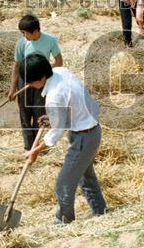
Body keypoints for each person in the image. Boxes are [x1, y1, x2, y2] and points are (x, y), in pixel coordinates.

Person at [23, 54, 107, 224]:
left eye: (31, 82)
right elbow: (72, 102)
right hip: (93, 129)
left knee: (63, 183)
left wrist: (36, 151)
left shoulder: (53, 97)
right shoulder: (61, 71)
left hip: (83, 138)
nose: (29, 85)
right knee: (86, 175)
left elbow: (56, 132)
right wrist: (53, 117)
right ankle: (100, 211)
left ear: (42, 77)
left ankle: (63, 222)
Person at [8, 14, 63, 151]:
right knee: (25, 112)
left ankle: (38, 146)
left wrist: (44, 73)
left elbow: (58, 61)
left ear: (36, 31)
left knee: (39, 112)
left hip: (42, 82)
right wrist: (13, 88)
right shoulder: (21, 43)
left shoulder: (50, 40)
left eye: (25, 33)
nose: (23, 36)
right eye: (22, 33)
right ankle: (28, 147)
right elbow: (16, 65)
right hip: (24, 79)